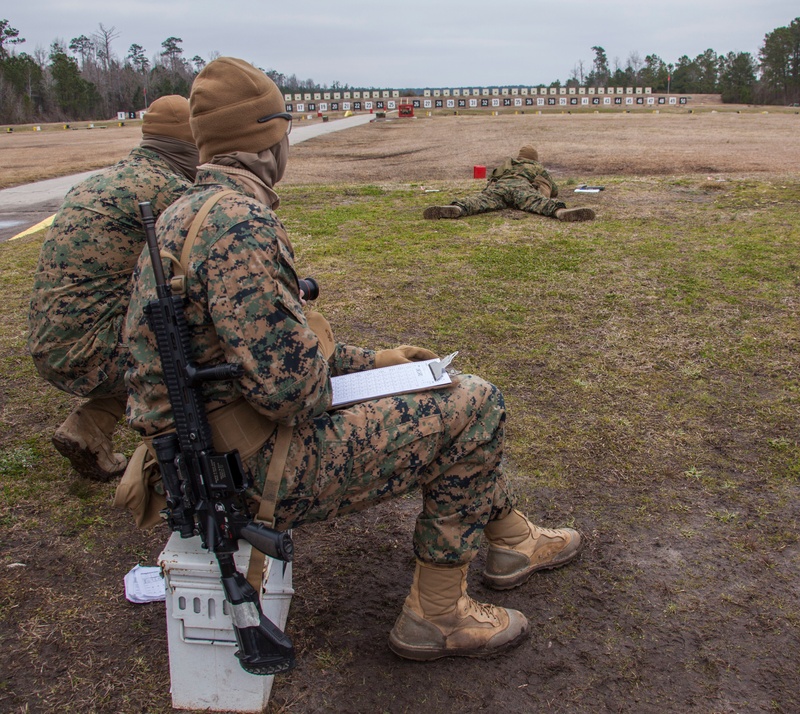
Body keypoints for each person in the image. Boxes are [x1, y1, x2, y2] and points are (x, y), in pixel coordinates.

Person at [122, 57, 581, 661]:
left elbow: (253, 360)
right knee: (476, 404)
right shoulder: (239, 226)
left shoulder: (185, 214)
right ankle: (436, 614)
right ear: (268, 141)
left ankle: (513, 540)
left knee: (447, 395)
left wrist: (381, 361)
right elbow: (292, 393)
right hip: (256, 473)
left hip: (212, 458)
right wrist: (369, 378)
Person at [27, 95, 199, 481]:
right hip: (91, 352)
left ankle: (89, 427)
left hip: (50, 345)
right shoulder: (171, 191)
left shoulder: (101, 180)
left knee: (154, 322)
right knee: (197, 337)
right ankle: (180, 454)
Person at [424, 145, 596, 221]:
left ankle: (458, 208)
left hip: (499, 188)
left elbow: (490, 182)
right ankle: (560, 212)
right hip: (521, 187)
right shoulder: (535, 166)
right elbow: (554, 190)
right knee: (538, 203)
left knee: (478, 202)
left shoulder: (507, 165)